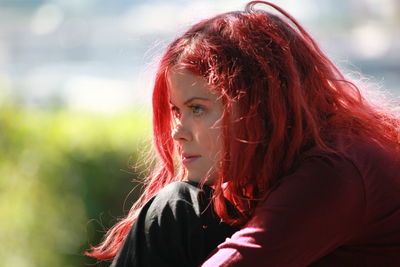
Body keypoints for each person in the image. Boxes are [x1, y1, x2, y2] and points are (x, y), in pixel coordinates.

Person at [86, 1, 400, 266]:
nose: (178, 132)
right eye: (177, 112)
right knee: (181, 207)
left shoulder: (337, 170)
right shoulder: (299, 159)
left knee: (175, 208)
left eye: (197, 109)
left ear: (259, 106)